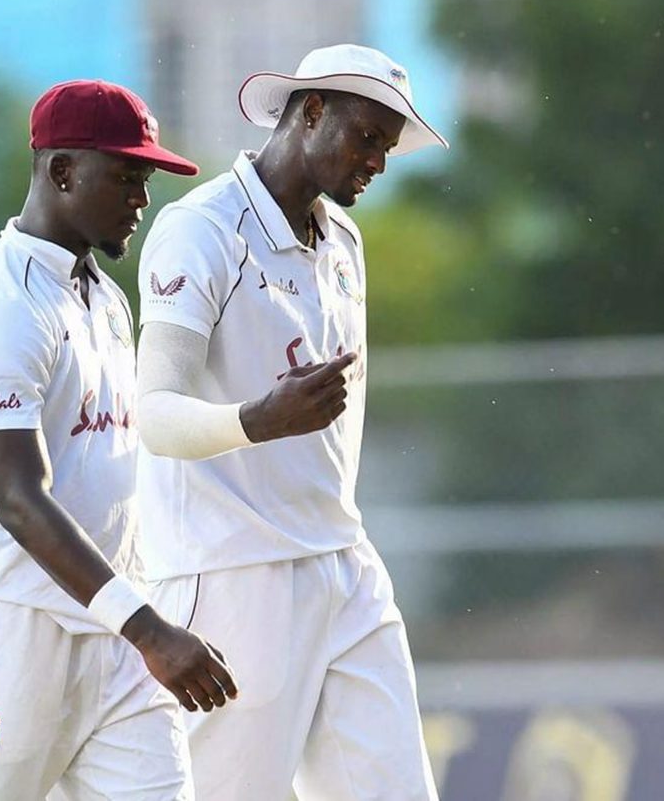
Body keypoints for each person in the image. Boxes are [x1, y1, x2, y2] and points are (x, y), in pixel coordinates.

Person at [0, 79, 237, 801]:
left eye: (145, 180)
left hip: (112, 634)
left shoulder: (104, 297)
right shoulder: (2, 306)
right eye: (125, 177)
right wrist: (151, 630)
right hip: (8, 629)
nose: (142, 200)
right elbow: (19, 501)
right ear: (61, 172)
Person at [134, 44, 448, 800]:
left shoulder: (343, 240)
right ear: (310, 111)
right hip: (234, 574)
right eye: (367, 136)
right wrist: (258, 419)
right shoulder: (200, 229)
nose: (378, 161)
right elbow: (154, 414)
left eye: (388, 146)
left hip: (343, 561)